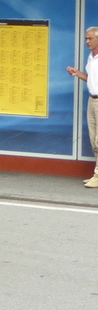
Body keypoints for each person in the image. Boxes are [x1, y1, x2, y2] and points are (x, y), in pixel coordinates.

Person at [67, 26, 98, 188]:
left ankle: (97, 175)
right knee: (94, 140)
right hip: (92, 100)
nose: (87, 41)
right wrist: (78, 74)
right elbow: (92, 79)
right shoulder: (91, 57)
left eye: (90, 38)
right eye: (86, 38)